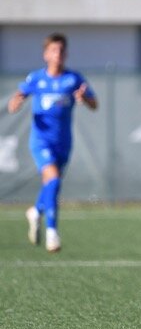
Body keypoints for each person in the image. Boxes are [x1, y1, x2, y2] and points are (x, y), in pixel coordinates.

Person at [8, 33, 98, 253]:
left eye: (61, 50)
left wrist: (84, 99)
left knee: (52, 186)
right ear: (46, 54)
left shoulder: (74, 79)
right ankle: (52, 234)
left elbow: (94, 104)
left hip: (64, 143)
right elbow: (14, 102)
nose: (58, 54)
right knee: (54, 180)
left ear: (66, 54)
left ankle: (35, 211)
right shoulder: (36, 79)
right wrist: (16, 102)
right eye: (54, 50)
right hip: (41, 142)